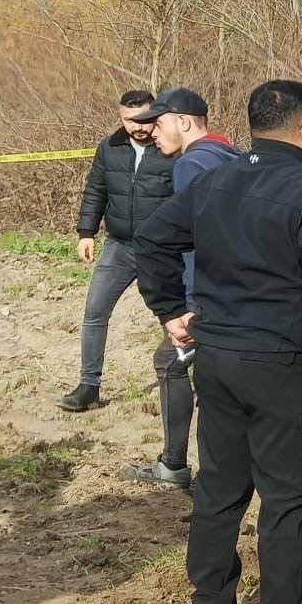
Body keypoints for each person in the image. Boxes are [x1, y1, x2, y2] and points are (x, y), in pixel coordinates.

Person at [132, 80, 302, 604]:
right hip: (282, 361)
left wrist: (172, 310)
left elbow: (151, 239)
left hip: (218, 359)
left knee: (219, 486)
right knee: (286, 499)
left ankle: (211, 602)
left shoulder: (214, 181)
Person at [118, 87, 238, 492]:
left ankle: (177, 466)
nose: (151, 132)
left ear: (184, 122)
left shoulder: (193, 165)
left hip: (208, 297)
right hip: (240, 292)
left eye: (160, 122)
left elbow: (198, 241)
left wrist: (186, 307)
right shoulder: (231, 154)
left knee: (175, 364)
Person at [60, 90, 176, 413]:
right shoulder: (109, 148)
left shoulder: (171, 149)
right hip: (119, 246)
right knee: (95, 312)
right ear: (120, 117)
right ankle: (89, 386)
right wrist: (86, 232)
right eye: (130, 120)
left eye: (144, 119)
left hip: (162, 250)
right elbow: (95, 189)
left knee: (172, 319)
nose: (138, 127)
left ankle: (182, 382)